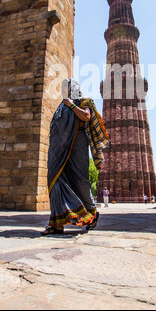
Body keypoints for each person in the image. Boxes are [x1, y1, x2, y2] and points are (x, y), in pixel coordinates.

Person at [42, 79, 109, 236]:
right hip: (59, 149)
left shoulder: (82, 101)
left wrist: (71, 105)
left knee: (80, 180)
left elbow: (86, 117)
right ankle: (57, 223)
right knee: (56, 181)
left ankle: (91, 213)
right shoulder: (61, 106)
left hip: (77, 143)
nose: (64, 90)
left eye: (67, 87)